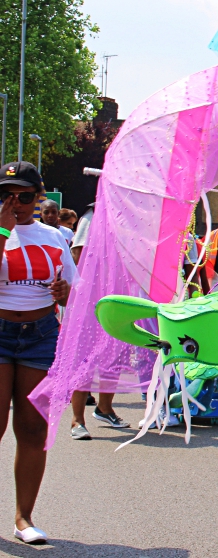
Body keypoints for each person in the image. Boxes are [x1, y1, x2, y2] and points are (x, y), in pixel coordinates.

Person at [0, 162, 76, 544]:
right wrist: (2, 230)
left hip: (41, 333)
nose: (15, 203)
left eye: (24, 196)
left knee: (32, 428)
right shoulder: (0, 230)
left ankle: (23, 519)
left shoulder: (53, 235)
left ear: (38, 196)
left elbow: (74, 284)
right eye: (6, 195)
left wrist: (65, 293)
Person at [68, 199, 131, 439]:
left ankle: (105, 408)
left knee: (115, 354)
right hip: (91, 297)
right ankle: (77, 419)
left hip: (118, 295)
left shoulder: (130, 216)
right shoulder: (91, 215)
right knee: (84, 358)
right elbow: (78, 252)